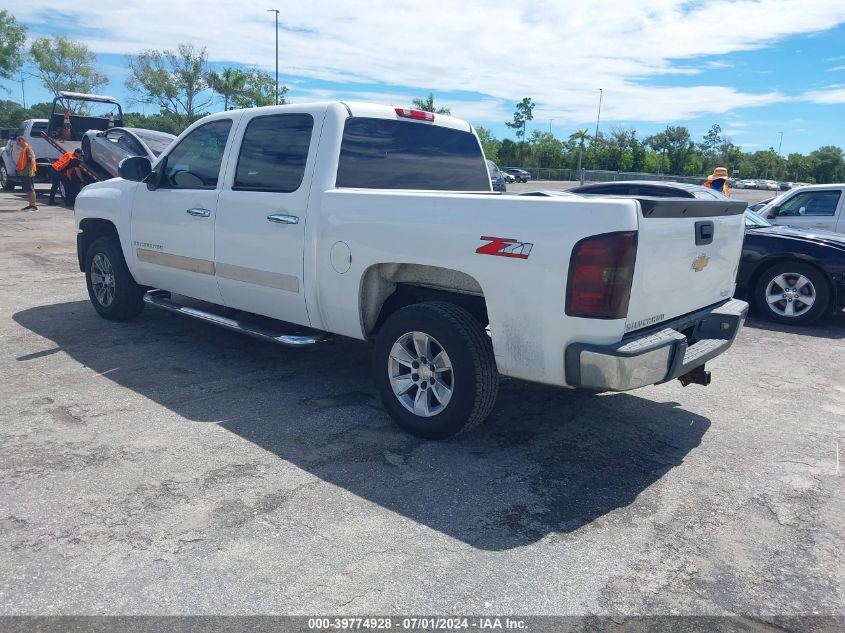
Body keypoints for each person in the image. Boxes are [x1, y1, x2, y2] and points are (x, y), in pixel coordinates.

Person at [15, 135, 38, 212]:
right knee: (27, 189)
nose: (16, 143)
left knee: (30, 189)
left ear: (21, 140)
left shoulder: (28, 149)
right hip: (24, 173)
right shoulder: (24, 149)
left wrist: (31, 170)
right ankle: (30, 205)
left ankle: (34, 206)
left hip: (28, 173)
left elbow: (32, 160)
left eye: (17, 141)